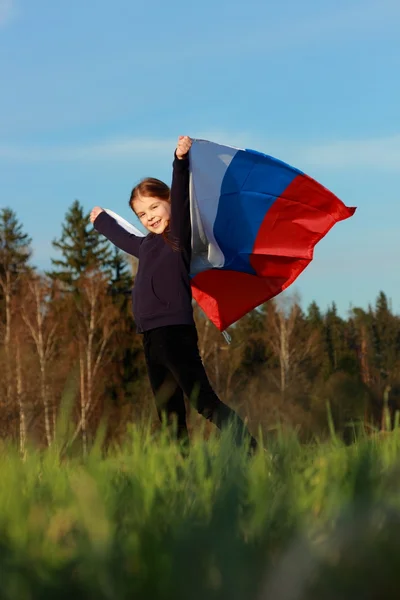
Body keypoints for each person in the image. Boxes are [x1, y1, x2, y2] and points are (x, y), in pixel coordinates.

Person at [90, 135, 257, 451]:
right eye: (142, 214)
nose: (149, 216)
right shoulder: (145, 245)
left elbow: (181, 196)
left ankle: (252, 452)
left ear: (168, 202)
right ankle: (182, 479)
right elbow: (121, 237)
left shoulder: (177, 238)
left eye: (154, 207)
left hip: (175, 334)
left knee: (204, 402)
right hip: (151, 339)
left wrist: (179, 161)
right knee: (170, 417)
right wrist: (100, 220)